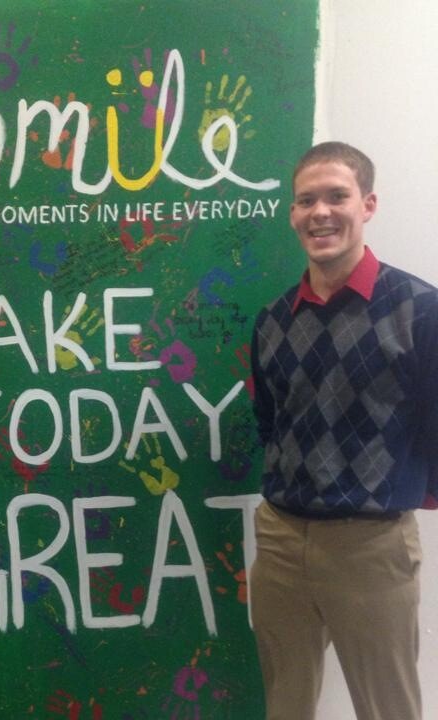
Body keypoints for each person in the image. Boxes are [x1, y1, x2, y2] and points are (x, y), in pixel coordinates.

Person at [250, 141, 438, 720]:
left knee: (388, 709)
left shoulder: (420, 311)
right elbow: (269, 423)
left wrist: (404, 497)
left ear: (369, 204)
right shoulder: (274, 321)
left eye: (337, 196)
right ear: (292, 214)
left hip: (370, 546)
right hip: (280, 543)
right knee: (286, 705)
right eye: (306, 200)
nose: (321, 213)